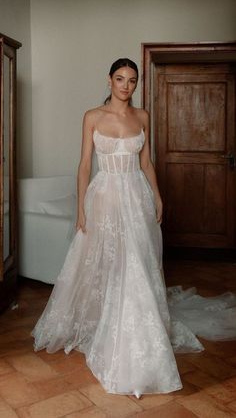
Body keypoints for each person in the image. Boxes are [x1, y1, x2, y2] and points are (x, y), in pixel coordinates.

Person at [32, 58, 236, 398]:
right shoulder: (92, 117)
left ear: (136, 84)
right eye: (120, 79)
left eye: (132, 80)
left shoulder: (142, 117)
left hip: (136, 195)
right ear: (109, 80)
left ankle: (140, 333)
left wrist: (157, 195)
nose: (126, 86)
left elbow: (146, 161)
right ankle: (107, 325)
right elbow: (84, 165)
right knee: (108, 265)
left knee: (137, 264)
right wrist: (81, 209)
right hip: (105, 197)